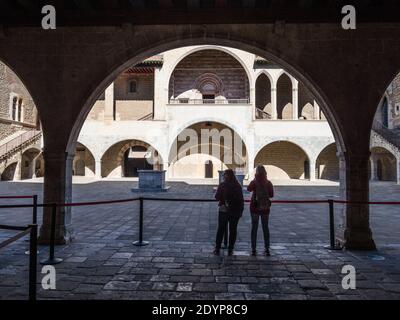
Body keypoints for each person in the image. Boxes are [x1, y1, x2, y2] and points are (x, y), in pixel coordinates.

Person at [214, 169, 244, 256]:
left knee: (221, 229)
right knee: (233, 230)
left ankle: (217, 248)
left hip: (224, 210)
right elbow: (241, 199)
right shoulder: (237, 186)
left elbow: (217, 197)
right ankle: (230, 248)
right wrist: (241, 210)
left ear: (225, 176)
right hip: (235, 211)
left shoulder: (223, 185)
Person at [247, 165, 274, 256]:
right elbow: (271, 195)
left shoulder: (254, 182)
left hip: (254, 207)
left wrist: (255, 181)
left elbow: (248, 189)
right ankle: (267, 248)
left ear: (257, 172)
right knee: (265, 228)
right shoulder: (268, 182)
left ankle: (253, 249)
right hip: (265, 208)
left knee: (254, 228)